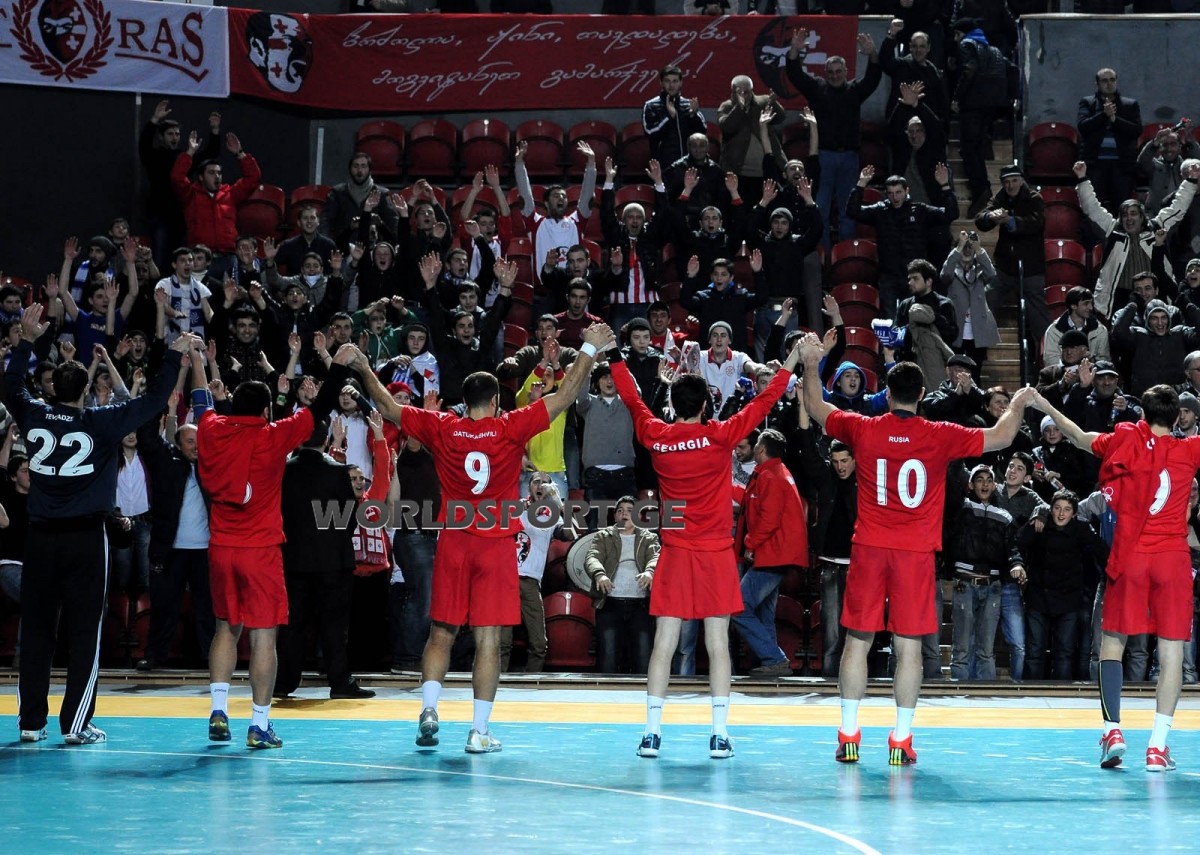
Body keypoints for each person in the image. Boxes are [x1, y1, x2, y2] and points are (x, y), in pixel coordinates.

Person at [345, 323, 614, 753]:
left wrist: (362, 364)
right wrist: (588, 348)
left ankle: (429, 709)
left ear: (465, 401)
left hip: (454, 543)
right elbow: (564, 397)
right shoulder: (509, 427)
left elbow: (389, 407)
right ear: (494, 402)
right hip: (495, 545)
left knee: (441, 632)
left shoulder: (444, 427)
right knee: (488, 639)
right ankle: (478, 731)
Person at [798, 332, 1034, 764]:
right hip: (915, 554)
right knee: (908, 648)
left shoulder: (864, 427)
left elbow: (815, 406)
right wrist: (1018, 401)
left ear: (887, 395)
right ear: (922, 395)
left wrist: (812, 362)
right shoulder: (939, 434)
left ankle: (849, 734)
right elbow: (1002, 436)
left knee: (857, 642)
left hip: (870, 548)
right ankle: (901, 740)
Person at [607, 332, 804, 760]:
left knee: (665, 643)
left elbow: (632, 399)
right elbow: (763, 403)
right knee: (717, 643)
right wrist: (791, 360)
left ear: (673, 403)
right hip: (715, 553)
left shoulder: (657, 436)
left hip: (676, 552)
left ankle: (651, 734)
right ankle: (719, 735)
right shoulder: (720, 436)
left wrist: (612, 355)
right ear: (704, 406)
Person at [8, 305, 196, 744]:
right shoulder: (100, 421)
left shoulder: (33, 414)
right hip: (85, 539)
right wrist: (173, 355)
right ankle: (76, 724)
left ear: (53, 389)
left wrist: (27, 342)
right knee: (84, 631)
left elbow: (10, 385)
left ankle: (31, 722)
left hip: (40, 538)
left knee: (35, 631)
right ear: (86, 393)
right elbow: (152, 402)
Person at [1029, 384, 1200, 771]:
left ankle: (1113, 731)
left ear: (1143, 415)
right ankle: (1157, 747)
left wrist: (1043, 403)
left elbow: (1077, 435)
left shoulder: (1124, 439)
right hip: (1172, 558)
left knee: (1112, 645)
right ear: (1177, 418)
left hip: (1132, 554)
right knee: (1171, 653)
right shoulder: (1190, 449)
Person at [197, 352, 345, 749]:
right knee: (264, 637)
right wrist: (339, 365)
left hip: (221, 547)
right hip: (260, 550)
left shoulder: (211, 429)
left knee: (225, 629)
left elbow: (200, 403)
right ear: (266, 410)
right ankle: (258, 725)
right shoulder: (272, 434)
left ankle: (218, 711)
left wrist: (195, 361)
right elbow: (320, 407)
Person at [732, 428, 807, 677]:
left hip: (772, 554)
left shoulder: (771, 476)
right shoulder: (776, 472)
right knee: (765, 614)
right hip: (775, 554)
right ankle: (772, 664)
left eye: (756, 445)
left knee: (739, 607)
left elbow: (769, 519)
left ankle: (775, 658)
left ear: (761, 449)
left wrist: (750, 543)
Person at [587, 495, 660, 675]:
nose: (624, 514)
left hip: (640, 606)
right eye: (620, 511)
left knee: (643, 657)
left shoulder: (649, 538)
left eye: (629, 511)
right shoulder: (604, 536)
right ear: (615, 516)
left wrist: (650, 572)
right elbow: (592, 557)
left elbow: (656, 557)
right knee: (608, 657)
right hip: (610, 603)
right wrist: (600, 574)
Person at [1077, 68, 1143, 215]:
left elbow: (1136, 130)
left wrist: (1114, 119)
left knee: (1122, 209)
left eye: (1112, 80)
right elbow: (1083, 127)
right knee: (1093, 209)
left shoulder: (1130, 104)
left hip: (1122, 166)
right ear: (1097, 83)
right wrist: (1103, 115)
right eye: (1104, 81)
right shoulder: (1088, 102)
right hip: (1095, 165)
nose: (1109, 84)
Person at [642, 64, 707, 168]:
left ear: (681, 83)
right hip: (662, 164)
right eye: (667, 81)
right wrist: (669, 117)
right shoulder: (651, 105)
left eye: (675, 81)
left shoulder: (687, 104)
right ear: (661, 83)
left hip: (687, 163)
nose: (671, 85)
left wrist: (693, 116)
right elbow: (650, 132)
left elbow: (702, 132)